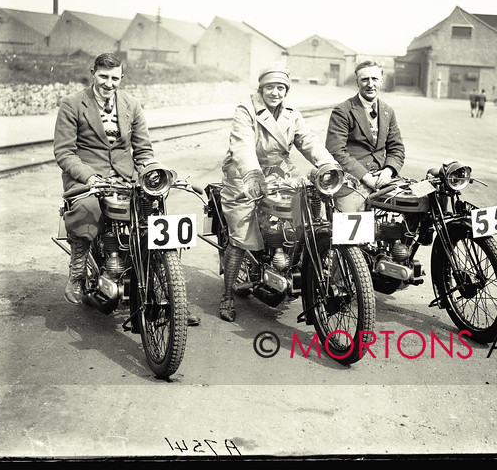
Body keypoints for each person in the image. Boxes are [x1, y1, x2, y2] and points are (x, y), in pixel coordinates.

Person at [53, 52, 201, 323]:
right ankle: (76, 273)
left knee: (152, 211)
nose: (109, 83)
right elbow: (64, 153)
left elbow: (143, 150)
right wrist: (89, 177)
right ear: (92, 73)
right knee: (88, 209)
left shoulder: (131, 104)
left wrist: (153, 170)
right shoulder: (72, 103)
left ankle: (173, 297)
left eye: (115, 78)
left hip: (126, 174)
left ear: (122, 78)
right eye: (103, 76)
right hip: (88, 176)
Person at [218, 63, 338, 323]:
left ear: (287, 90)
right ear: (261, 88)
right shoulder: (246, 110)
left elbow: (308, 141)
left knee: (306, 212)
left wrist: (329, 165)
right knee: (242, 231)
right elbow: (242, 146)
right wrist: (253, 174)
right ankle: (227, 296)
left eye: (281, 87)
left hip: (281, 171)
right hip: (244, 173)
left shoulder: (292, 114)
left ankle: (293, 263)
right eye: (270, 87)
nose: (275, 92)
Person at [325, 60, 405, 207]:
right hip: (352, 181)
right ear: (357, 82)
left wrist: (388, 170)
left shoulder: (388, 111)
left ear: (381, 81)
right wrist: (365, 176)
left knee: (412, 213)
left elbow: (397, 148)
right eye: (364, 79)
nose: (370, 84)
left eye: (374, 79)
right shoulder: (343, 111)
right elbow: (336, 150)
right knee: (348, 226)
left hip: (384, 180)